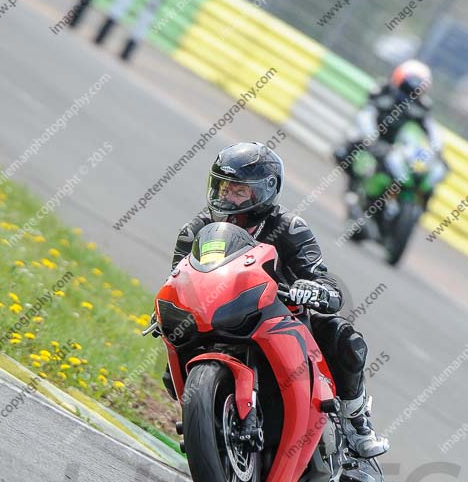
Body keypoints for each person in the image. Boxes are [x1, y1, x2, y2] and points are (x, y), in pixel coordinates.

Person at [159, 142, 389, 458]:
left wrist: (315, 290)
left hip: (281, 316)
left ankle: (356, 422)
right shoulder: (196, 231)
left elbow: (322, 278)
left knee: (342, 337)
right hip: (222, 315)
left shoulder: (289, 228)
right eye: (224, 187)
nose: (228, 197)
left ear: (264, 192)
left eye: (238, 191)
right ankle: (210, 422)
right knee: (171, 367)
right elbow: (179, 277)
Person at [335, 59, 445, 208]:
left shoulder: (423, 105)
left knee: (437, 168)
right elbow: (366, 114)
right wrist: (371, 137)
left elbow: (431, 128)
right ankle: (353, 190)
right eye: (407, 86)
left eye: (416, 88)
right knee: (344, 151)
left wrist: (437, 149)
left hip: (400, 147)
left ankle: (420, 204)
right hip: (376, 138)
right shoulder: (382, 90)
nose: (410, 92)